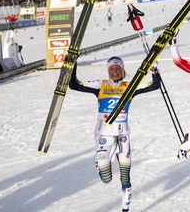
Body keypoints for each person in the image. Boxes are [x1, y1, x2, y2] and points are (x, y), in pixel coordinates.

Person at [69, 56, 161, 212]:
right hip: (104, 135)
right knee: (106, 178)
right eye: (111, 69)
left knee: (125, 175)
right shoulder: (101, 85)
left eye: (118, 68)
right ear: (108, 71)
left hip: (123, 135)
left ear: (123, 70)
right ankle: (100, 163)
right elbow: (74, 85)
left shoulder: (130, 86)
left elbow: (155, 85)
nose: (115, 71)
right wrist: (73, 64)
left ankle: (126, 208)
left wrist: (154, 71)